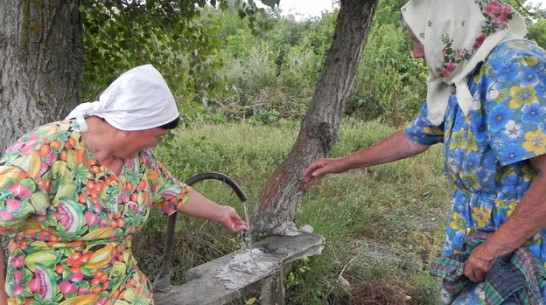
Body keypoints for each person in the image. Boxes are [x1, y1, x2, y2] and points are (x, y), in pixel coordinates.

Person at [304, 0, 546, 303]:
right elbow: (414, 137)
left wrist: (494, 247)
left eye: (418, 40)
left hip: (520, 234)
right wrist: (342, 164)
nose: (417, 52)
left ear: (445, 30)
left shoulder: (514, 65)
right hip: (474, 223)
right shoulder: (464, 71)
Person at [0, 64, 246, 305]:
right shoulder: (44, 152)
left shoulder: (138, 161)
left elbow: (173, 192)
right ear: (134, 123)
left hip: (123, 291)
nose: (155, 144)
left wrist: (222, 212)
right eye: (156, 136)